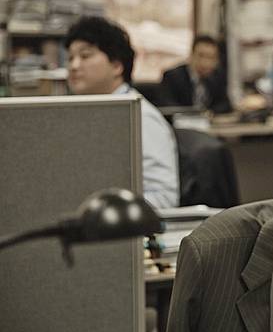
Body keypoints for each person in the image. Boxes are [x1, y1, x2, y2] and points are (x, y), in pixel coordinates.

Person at [65, 16, 179, 209]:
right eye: (70, 58)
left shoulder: (141, 117)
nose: (74, 66)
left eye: (85, 56)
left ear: (117, 66)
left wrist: (103, 211)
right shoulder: (89, 113)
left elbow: (165, 197)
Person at [160, 34, 232, 114]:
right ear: (191, 55)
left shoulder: (217, 77)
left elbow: (225, 104)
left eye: (211, 57)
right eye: (201, 55)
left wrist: (210, 112)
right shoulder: (172, 76)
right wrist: (193, 114)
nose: (205, 62)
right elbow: (168, 106)